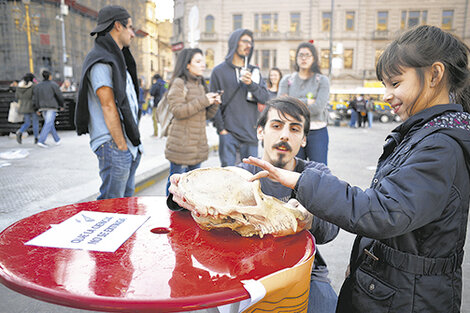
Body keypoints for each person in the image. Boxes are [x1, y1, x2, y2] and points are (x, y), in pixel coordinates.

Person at [244, 25, 470, 312]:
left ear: (435, 75)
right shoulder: (421, 135)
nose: (386, 95)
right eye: (276, 126)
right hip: (391, 286)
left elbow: (384, 212)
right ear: (260, 131)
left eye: (395, 83)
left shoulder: (440, 146)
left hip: (411, 297)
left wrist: (301, 188)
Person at [168, 96, 339, 313]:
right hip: (244, 270)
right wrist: (182, 195)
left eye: (295, 129)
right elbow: (198, 199)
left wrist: (306, 219)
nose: (285, 135)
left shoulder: (316, 175)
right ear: (261, 131)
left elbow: (332, 228)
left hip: (304, 270)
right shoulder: (241, 175)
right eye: (276, 126)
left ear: (304, 140)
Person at [75, 5, 142, 200]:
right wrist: (121, 146)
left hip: (127, 144)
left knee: (125, 205)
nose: (133, 34)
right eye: (130, 27)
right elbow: (108, 105)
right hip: (113, 144)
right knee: (111, 206)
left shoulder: (118, 58)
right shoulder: (102, 60)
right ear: (117, 26)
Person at [164, 48, 221, 195]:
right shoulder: (179, 83)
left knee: (193, 187)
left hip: (197, 145)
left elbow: (204, 115)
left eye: (203, 61)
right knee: (175, 185)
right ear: (187, 64)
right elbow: (177, 111)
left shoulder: (201, 84)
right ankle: (170, 212)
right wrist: (203, 100)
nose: (203, 65)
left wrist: (214, 104)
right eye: (198, 61)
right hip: (181, 145)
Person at [210, 28, 269, 167]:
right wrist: (222, 130)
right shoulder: (219, 71)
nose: (249, 45)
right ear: (234, 43)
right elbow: (214, 103)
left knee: (250, 179)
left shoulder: (254, 71)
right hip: (229, 135)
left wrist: (251, 84)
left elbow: (265, 98)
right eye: (245, 41)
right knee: (228, 179)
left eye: (251, 42)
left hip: (250, 135)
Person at [278, 42, 330, 165]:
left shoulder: (322, 80)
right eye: (300, 55)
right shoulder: (287, 80)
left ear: (314, 58)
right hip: (293, 130)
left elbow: (318, 108)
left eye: (307, 55)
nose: (304, 58)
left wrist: (292, 101)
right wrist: (307, 102)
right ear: (296, 58)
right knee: (293, 169)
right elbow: (282, 107)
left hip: (317, 131)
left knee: (317, 171)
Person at [33, 70, 64, 148]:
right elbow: (59, 96)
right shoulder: (53, 85)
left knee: (49, 123)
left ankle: (57, 139)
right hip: (52, 106)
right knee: (48, 123)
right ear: (50, 76)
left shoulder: (38, 86)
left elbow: (35, 98)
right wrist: (61, 105)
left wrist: (36, 108)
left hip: (42, 107)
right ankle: (41, 141)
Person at [15, 73, 39, 144]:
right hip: (32, 106)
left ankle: (20, 131)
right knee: (35, 122)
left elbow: (17, 96)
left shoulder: (19, 86)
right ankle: (36, 138)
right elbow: (35, 96)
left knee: (27, 122)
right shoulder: (33, 86)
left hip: (23, 107)